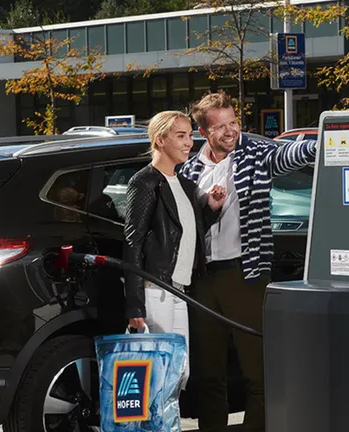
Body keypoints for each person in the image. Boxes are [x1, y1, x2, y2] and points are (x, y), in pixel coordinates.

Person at [179, 92, 317, 432]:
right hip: (202, 280)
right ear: (203, 131)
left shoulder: (255, 155)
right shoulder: (190, 169)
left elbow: (289, 154)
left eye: (234, 122)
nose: (230, 131)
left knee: (258, 370)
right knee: (209, 374)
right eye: (220, 126)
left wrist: (322, 143)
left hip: (246, 274)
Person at [123, 110, 227, 388]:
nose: (188, 142)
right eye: (180, 136)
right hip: (155, 289)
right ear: (160, 140)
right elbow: (133, 242)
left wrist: (211, 210)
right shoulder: (145, 182)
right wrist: (135, 304)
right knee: (158, 373)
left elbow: (184, 233)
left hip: (180, 290)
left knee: (179, 374)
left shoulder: (185, 185)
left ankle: (169, 414)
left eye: (189, 135)